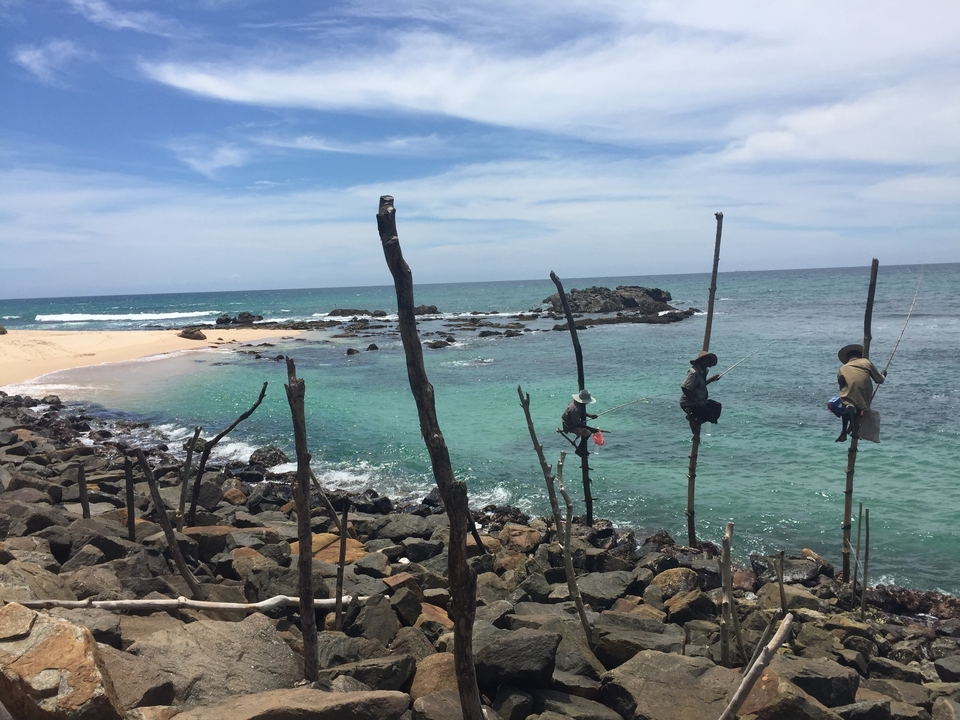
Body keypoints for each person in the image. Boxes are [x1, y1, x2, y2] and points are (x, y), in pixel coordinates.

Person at [833, 344, 886, 442]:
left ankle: (844, 430)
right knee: (855, 405)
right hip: (864, 398)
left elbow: (841, 385)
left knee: (845, 403)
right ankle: (853, 425)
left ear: (848, 358)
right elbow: (879, 380)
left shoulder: (842, 368)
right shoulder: (866, 362)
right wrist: (883, 375)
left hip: (849, 397)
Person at [679, 350, 722, 434]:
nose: (706, 363)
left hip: (701, 401)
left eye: (708, 361)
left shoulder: (704, 371)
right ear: (700, 361)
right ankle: (693, 418)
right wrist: (694, 401)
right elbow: (685, 387)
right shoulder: (693, 372)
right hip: (689, 403)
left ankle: (696, 420)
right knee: (707, 413)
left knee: (717, 406)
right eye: (704, 360)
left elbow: (701, 385)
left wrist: (712, 379)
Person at [561, 389, 599, 457]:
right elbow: (577, 423)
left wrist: (590, 415)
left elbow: (580, 412)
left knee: (587, 430)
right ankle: (580, 449)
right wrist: (591, 429)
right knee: (587, 432)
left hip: (572, 421)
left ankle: (582, 448)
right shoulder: (574, 409)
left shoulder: (576, 402)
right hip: (569, 425)